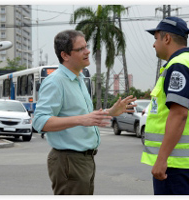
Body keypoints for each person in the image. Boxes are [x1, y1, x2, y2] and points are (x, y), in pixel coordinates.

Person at [32, 29, 136, 195]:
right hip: (69, 161)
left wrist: (110, 112)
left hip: (83, 160)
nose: (87, 51)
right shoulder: (56, 81)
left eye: (86, 47)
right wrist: (80, 120)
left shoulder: (79, 79)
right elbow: (39, 122)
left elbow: (85, 117)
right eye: (80, 49)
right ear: (65, 55)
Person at [141, 17, 189, 195]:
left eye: (156, 38)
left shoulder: (179, 66)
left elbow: (179, 114)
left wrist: (161, 159)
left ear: (167, 39)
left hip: (175, 165)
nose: (154, 45)